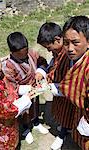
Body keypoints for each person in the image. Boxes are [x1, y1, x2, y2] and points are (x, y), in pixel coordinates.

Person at [2, 32, 49, 144]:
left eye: (26, 52)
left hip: (34, 90)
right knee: (25, 112)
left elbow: (42, 62)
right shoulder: (8, 66)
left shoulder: (31, 53)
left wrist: (39, 72)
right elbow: (11, 87)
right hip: (22, 94)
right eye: (21, 55)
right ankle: (27, 129)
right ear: (12, 52)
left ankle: (36, 123)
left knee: (35, 107)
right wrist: (28, 89)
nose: (24, 56)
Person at [36, 22, 75, 150]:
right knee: (60, 112)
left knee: (66, 114)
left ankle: (62, 134)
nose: (48, 51)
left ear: (58, 40)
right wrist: (43, 72)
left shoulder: (69, 55)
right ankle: (65, 127)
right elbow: (53, 62)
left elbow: (72, 82)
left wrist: (53, 87)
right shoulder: (58, 51)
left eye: (49, 47)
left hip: (66, 93)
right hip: (58, 90)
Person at [0, 47, 32, 150]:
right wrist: (25, 100)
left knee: (14, 140)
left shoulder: (1, 76)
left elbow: (11, 87)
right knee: (5, 145)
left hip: (13, 122)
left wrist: (26, 89)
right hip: (3, 126)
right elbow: (7, 110)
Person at [59, 15, 89, 150]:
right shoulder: (67, 57)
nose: (70, 48)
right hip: (78, 111)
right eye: (66, 43)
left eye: (75, 42)